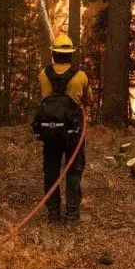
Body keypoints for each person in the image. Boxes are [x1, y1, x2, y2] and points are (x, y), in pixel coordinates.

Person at [34, 34, 92, 223]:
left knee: (51, 170)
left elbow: (44, 96)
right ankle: (72, 215)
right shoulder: (81, 76)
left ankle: (53, 214)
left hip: (49, 132)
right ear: (70, 55)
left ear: (54, 54)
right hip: (73, 132)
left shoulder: (43, 74)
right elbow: (88, 99)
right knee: (74, 170)